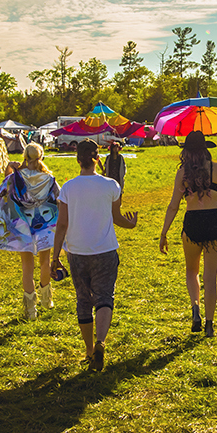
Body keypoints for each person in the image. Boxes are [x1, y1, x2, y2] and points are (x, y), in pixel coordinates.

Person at [52, 140, 139, 371]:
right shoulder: (111, 185)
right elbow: (117, 217)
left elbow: (62, 224)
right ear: (98, 158)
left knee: (83, 300)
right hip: (105, 249)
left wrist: (54, 257)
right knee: (104, 296)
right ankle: (101, 341)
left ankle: (90, 350)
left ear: (77, 159)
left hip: (77, 251)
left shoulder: (68, 188)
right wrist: (130, 225)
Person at [160, 130, 217, 338]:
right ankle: (209, 324)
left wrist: (164, 233)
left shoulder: (183, 174)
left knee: (192, 271)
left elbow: (173, 206)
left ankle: (195, 309)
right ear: (206, 149)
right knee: (211, 277)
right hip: (215, 220)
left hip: (193, 222)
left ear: (186, 152)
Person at [0, 142, 60, 320]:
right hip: (45, 225)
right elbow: (59, 199)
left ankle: (30, 309)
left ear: (24, 157)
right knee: (45, 261)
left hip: (22, 225)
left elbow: (5, 188)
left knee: (27, 266)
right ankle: (46, 299)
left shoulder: (15, 178)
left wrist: (10, 168)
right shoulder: (49, 179)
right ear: (41, 157)